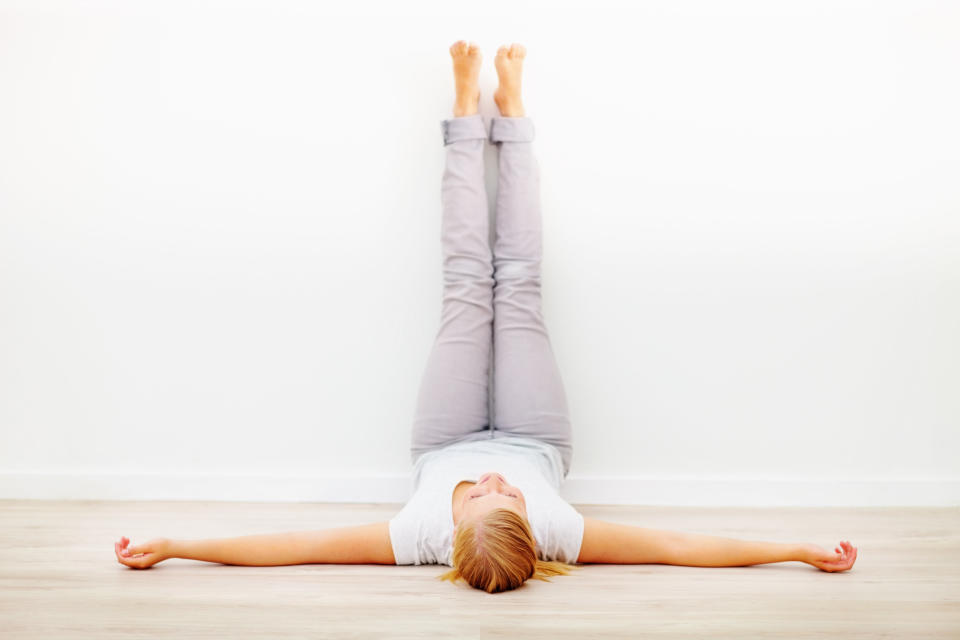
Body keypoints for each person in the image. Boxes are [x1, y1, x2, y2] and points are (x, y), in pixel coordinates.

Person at [114, 41, 859, 593]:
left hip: (441, 437)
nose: (500, 483)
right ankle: (517, 116)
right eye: (513, 499)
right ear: (536, 534)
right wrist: (794, 548)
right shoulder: (558, 531)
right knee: (521, 284)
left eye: (486, 496)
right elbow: (674, 545)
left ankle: (465, 113)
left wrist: (179, 543)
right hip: (538, 432)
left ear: (455, 529)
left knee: (468, 282)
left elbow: (295, 546)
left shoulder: (417, 535)